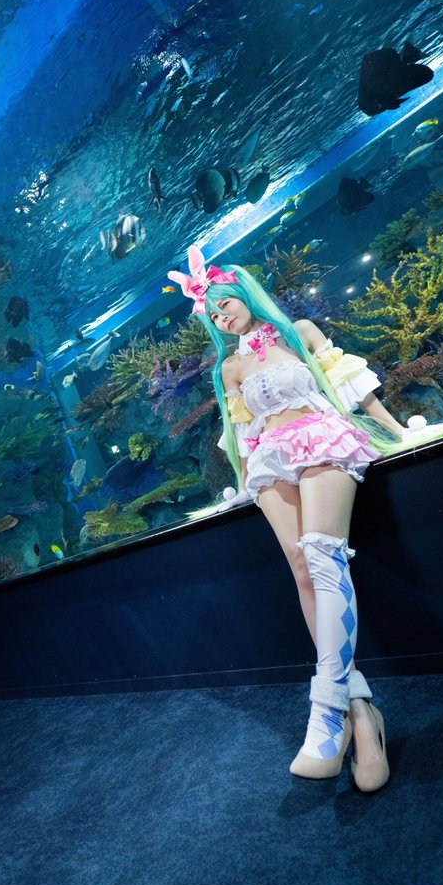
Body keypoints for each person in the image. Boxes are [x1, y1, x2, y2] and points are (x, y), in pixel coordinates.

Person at [168, 245, 407, 792]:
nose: (222, 317)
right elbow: (241, 432)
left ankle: (326, 712)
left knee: (323, 555)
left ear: (244, 295)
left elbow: (347, 383)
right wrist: (242, 481)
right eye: (212, 315)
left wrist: (399, 431)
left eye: (226, 305)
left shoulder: (297, 332)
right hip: (270, 458)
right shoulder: (229, 367)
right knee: (301, 568)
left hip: (321, 438)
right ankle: (360, 714)